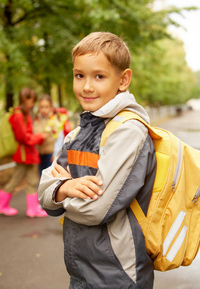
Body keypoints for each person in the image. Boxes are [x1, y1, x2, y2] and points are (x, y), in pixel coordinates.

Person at [38, 32, 157, 288]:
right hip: (81, 268)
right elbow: (44, 197)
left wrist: (58, 192)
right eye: (79, 75)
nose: (87, 86)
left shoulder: (128, 131)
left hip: (117, 273)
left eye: (99, 76)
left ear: (123, 79)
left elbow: (96, 210)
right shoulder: (78, 132)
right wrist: (64, 187)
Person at [0, 87, 48, 218]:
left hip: (29, 155)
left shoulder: (24, 114)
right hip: (23, 155)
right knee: (15, 180)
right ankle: (2, 205)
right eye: (31, 101)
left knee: (32, 180)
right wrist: (38, 137)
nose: (32, 105)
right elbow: (23, 137)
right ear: (24, 100)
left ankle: (32, 209)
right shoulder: (18, 116)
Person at [34, 95, 71, 176]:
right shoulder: (38, 119)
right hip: (40, 153)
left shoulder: (54, 120)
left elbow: (59, 138)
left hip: (50, 154)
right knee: (41, 174)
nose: (43, 109)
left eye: (46, 107)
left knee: (49, 175)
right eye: (41, 107)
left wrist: (55, 154)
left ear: (51, 107)